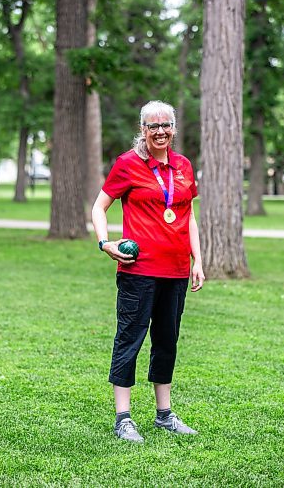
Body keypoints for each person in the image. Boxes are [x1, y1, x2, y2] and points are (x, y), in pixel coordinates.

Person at [92, 100, 205, 443]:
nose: (160, 131)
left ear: (174, 129)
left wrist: (197, 260)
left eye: (166, 125)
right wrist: (105, 243)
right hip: (138, 271)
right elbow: (99, 207)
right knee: (130, 339)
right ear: (142, 129)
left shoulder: (183, 166)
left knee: (167, 341)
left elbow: (188, 218)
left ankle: (164, 414)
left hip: (175, 271)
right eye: (153, 126)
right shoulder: (128, 165)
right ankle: (123, 418)